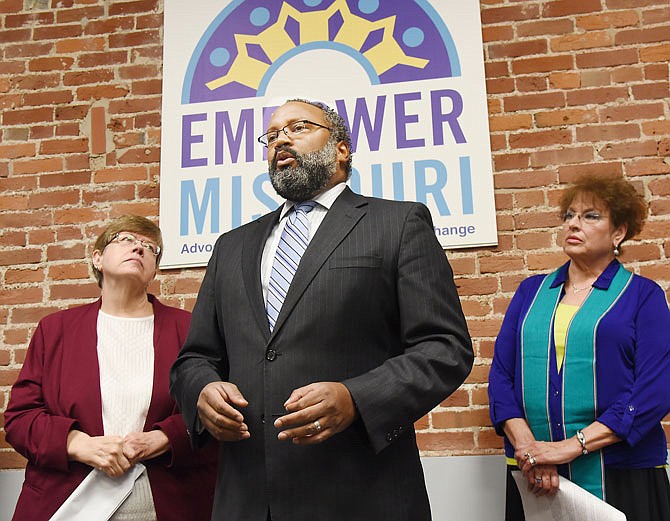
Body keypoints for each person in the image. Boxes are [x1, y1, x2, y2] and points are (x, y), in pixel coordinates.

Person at [169, 99, 473, 521]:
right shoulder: (231, 246)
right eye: (272, 135)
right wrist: (201, 392)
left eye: (298, 127)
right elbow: (195, 357)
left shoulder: (397, 224)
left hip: (361, 493)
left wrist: (356, 398)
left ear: (342, 149)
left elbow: (444, 348)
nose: (282, 140)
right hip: (247, 499)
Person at [5, 215, 216, 521]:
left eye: (150, 247)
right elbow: (20, 419)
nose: (139, 248)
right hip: (69, 498)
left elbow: (213, 414)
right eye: (127, 240)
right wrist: (77, 444)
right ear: (98, 258)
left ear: (154, 270)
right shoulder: (55, 330)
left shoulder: (188, 329)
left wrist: (166, 438)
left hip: (162, 499)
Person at [488, 174, 670, 520]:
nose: (574, 223)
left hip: (621, 475)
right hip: (536, 476)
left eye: (591, 216)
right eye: (570, 215)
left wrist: (569, 448)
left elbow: (653, 392)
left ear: (619, 233)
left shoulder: (642, 297)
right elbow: (501, 377)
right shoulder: (531, 293)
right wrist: (532, 451)